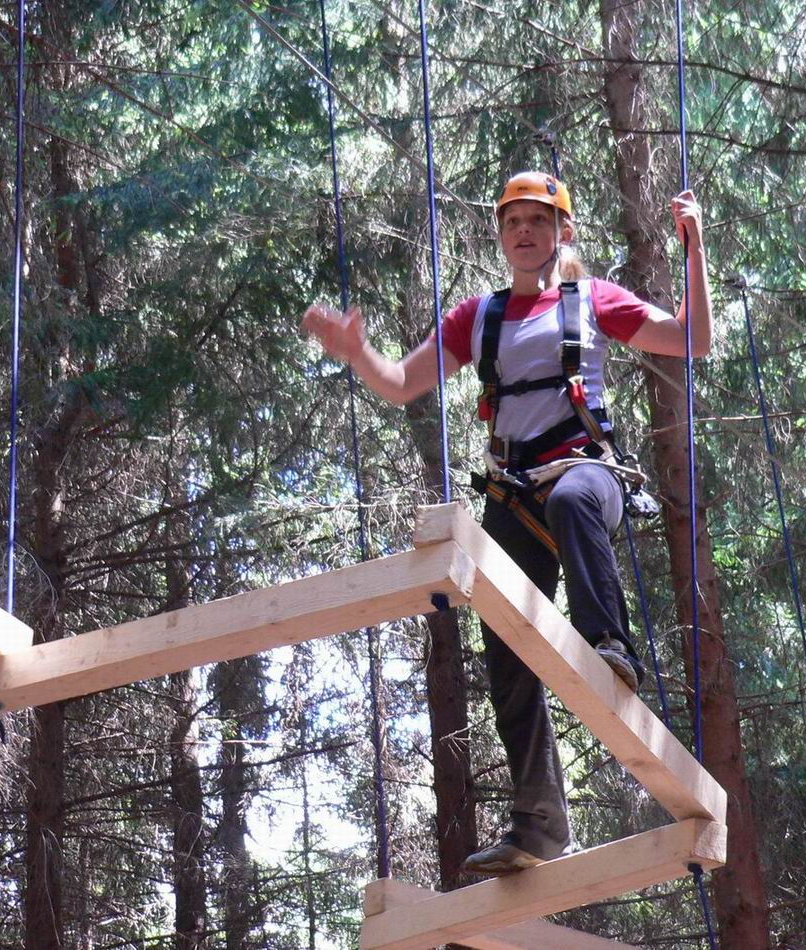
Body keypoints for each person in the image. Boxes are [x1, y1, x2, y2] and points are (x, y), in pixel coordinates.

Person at [302, 171, 712, 875]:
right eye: (512, 222)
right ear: (500, 236)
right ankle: (538, 821)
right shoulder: (479, 317)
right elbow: (401, 383)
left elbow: (692, 339)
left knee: (573, 500)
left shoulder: (592, 300)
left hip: (588, 475)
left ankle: (609, 645)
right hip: (515, 491)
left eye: (538, 221)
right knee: (503, 635)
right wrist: (355, 354)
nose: (524, 232)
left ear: (562, 233)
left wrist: (694, 249)